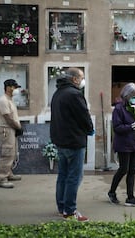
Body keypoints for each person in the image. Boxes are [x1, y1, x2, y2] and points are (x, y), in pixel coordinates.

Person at [50, 67, 94, 222]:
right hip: (74, 141)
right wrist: (90, 129)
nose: (82, 80)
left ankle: (62, 207)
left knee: (63, 175)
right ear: (74, 79)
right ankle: (69, 211)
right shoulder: (75, 94)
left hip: (61, 141)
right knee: (74, 177)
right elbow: (84, 116)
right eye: (81, 77)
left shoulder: (58, 93)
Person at [107, 83, 135, 208]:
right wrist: (131, 127)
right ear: (128, 95)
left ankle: (130, 197)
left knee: (133, 170)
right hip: (124, 144)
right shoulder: (119, 109)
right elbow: (117, 128)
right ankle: (112, 192)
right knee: (123, 169)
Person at [0, 79, 23, 189]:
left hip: (11, 129)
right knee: (7, 153)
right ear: (8, 87)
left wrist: (17, 128)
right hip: (7, 129)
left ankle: (8, 173)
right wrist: (18, 127)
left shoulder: (9, 100)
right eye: (14, 87)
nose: (15, 89)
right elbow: (8, 118)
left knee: (12, 152)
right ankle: (2, 179)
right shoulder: (3, 101)